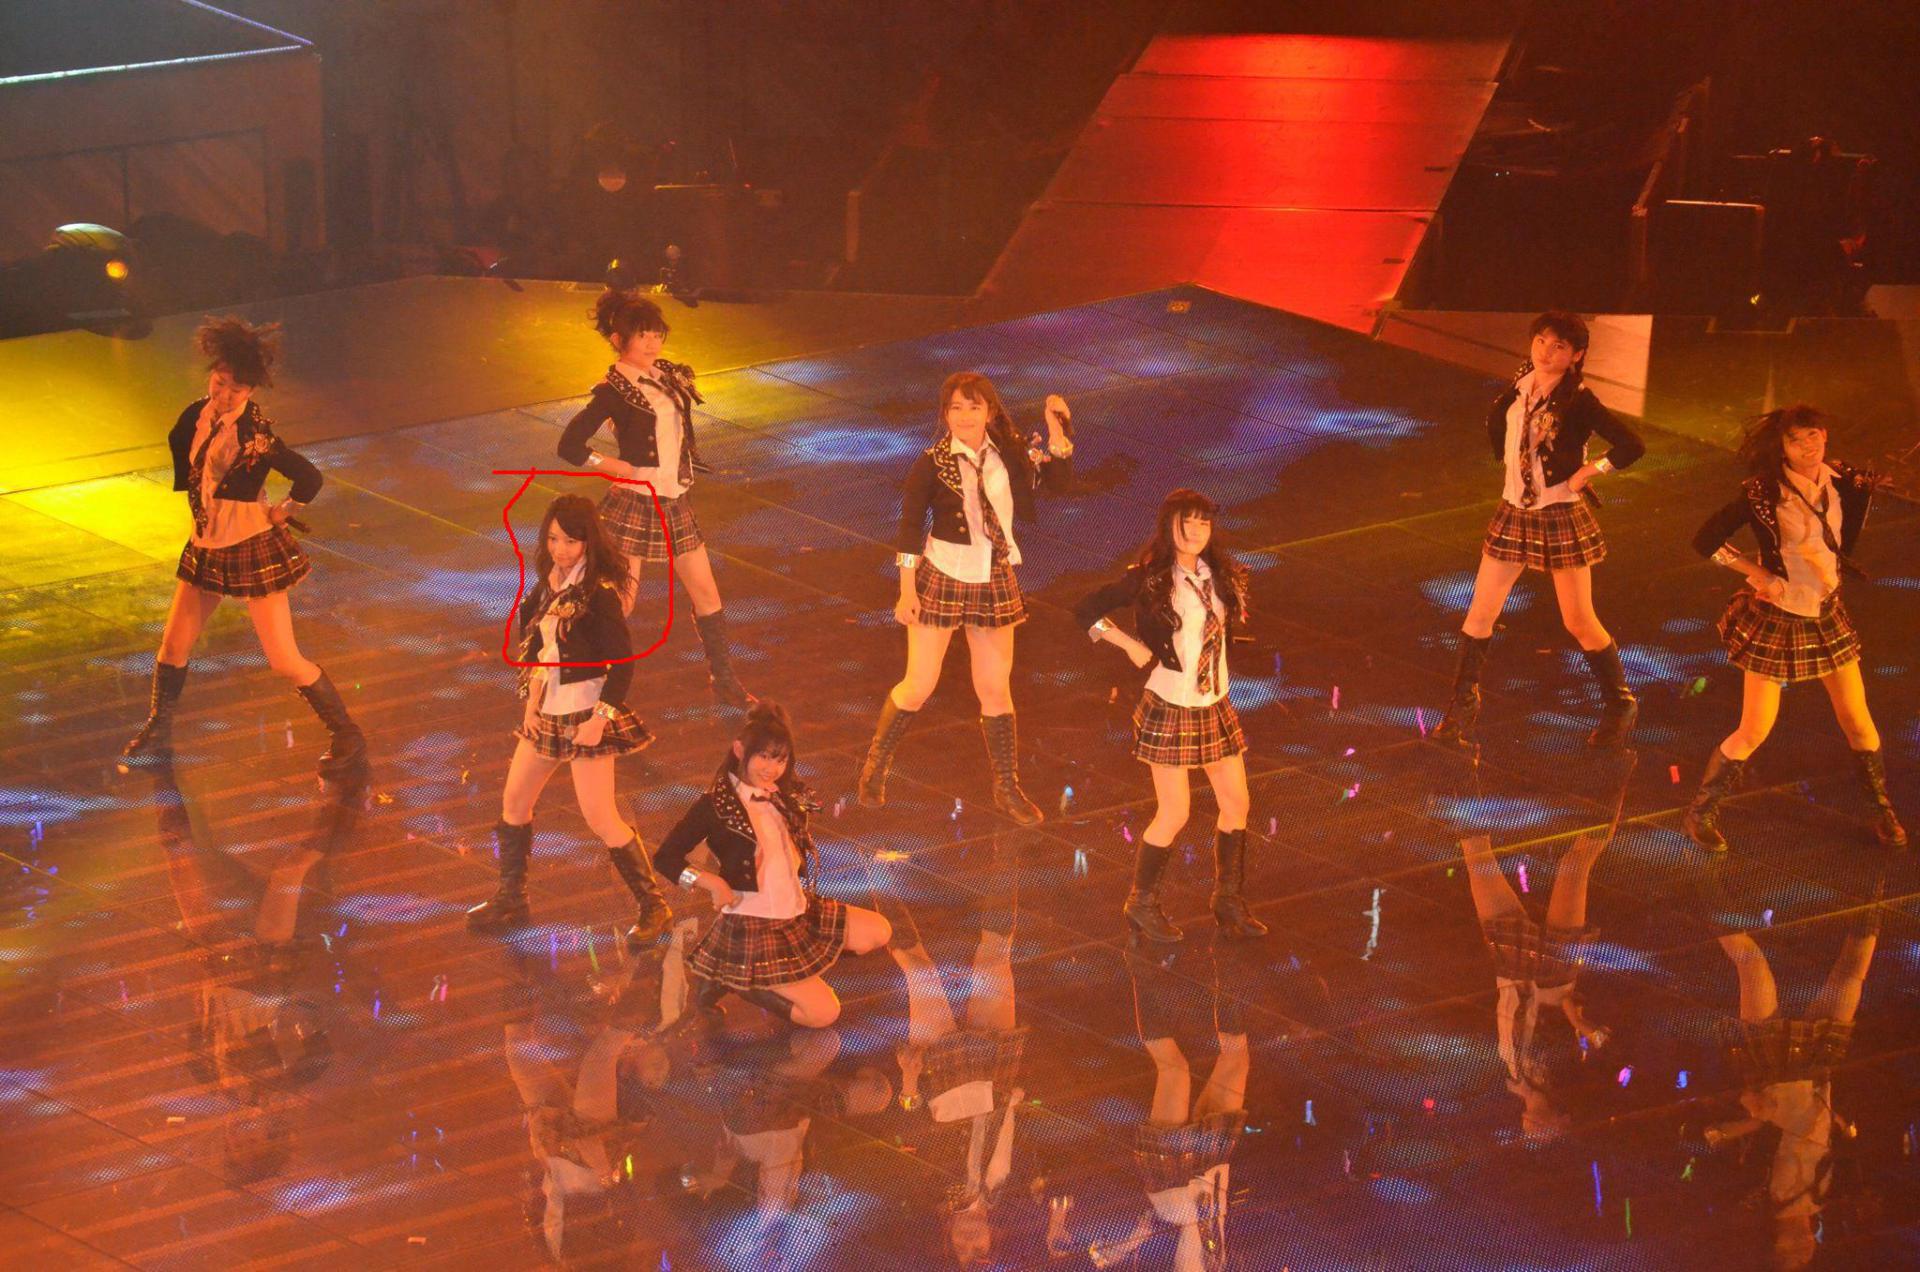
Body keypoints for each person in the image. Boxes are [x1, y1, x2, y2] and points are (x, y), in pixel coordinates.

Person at [121, 316, 365, 776]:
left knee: (283, 660)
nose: (225, 394)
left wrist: (286, 508)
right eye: (220, 383)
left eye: (236, 389)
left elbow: (309, 476)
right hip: (207, 545)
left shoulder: (255, 435)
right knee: (173, 646)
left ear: (251, 391)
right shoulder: (196, 415)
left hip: (250, 546)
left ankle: (346, 733)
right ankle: (159, 730)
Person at [1683, 404, 1905, 850]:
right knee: (1755, 728)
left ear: (1826, 436)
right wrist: (1758, 574)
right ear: (1781, 446)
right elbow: (1705, 540)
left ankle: (1883, 810)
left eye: (1814, 436)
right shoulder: (1763, 492)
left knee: (1859, 721)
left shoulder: (1844, 481)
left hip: (1826, 613)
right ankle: (1700, 813)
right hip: (1779, 616)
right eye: (1796, 439)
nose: (1808, 447)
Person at [857, 375, 1074, 823]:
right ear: (945, 414)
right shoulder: (932, 463)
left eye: (973, 407)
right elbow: (909, 529)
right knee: (919, 684)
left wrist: (1058, 436)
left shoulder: (1010, 452)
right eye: (956, 408)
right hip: (944, 574)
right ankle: (876, 765)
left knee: (995, 688)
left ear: (989, 412)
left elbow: (1057, 483)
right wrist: (906, 590)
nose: (965, 416)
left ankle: (1007, 788)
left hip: (993, 576)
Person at [1432, 311, 1645, 750]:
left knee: (1578, 620)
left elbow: (1632, 445)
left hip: (1558, 513)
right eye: (1541, 341)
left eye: (1559, 346)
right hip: (1513, 511)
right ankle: (1462, 706)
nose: (1546, 352)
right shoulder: (1521, 383)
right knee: (1480, 612)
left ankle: (1620, 701)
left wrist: (1590, 470)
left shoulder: (1579, 400)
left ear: (1577, 355)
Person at [466, 494, 672, 949]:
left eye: (571, 541)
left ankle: (654, 907)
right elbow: (539, 653)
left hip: (585, 712)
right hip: (546, 713)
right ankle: (511, 897)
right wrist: (531, 702)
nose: (560, 549)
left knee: (601, 817)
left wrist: (600, 719)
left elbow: (624, 665)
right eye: (554, 539)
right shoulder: (547, 586)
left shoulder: (599, 594)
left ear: (588, 542)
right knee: (514, 803)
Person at [1075, 489, 1261, 942]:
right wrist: (1128, 644)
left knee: (1237, 803)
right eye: (1186, 522)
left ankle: (1228, 900)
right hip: (1171, 705)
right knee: (1175, 811)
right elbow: (1085, 610)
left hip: (1213, 703)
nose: (1195, 531)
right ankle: (1141, 903)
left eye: (1203, 523)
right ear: (1168, 526)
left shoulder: (1220, 575)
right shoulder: (1151, 578)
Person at [557, 287, 752, 707]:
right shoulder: (613, 389)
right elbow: (569, 445)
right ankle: (588, 679)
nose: (651, 343)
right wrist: (611, 465)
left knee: (707, 593)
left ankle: (723, 679)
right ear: (619, 340)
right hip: (635, 501)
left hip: (673, 499)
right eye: (641, 335)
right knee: (622, 603)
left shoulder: (665, 375)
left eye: (656, 334)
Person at [654, 703, 892, 1027]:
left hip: (796, 910)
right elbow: (665, 857)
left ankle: (789, 972)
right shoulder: (715, 805)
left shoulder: (783, 792)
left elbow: (812, 808)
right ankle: (743, 979)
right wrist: (713, 883)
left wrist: (792, 798)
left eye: (780, 759)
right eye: (763, 757)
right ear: (740, 750)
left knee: (878, 931)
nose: (772, 768)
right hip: (755, 925)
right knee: (823, 1014)